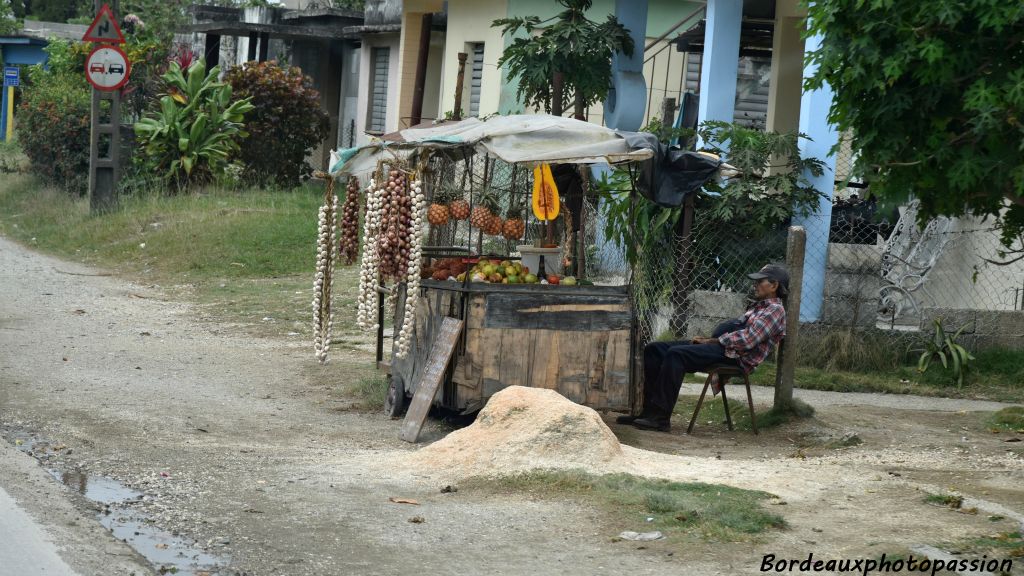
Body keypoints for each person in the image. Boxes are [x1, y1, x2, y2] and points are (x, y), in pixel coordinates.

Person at [618, 264, 789, 432]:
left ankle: (660, 418)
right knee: (654, 349)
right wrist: (711, 340)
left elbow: (748, 340)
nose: (756, 285)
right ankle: (647, 411)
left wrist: (714, 341)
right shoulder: (759, 307)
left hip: (736, 357)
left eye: (761, 282)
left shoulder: (775, 310)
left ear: (774, 286)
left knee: (676, 354)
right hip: (725, 349)